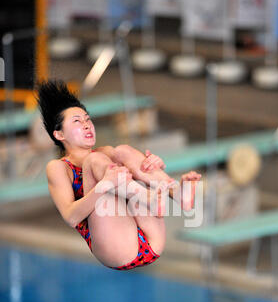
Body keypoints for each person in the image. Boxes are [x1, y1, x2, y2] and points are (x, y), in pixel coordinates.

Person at [37, 80, 201, 270]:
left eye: (88, 119)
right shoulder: (58, 167)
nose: (87, 125)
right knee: (95, 161)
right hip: (117, 248)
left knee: (122, 151)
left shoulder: (106, 153)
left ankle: (178, 194)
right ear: (59, 134)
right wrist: (104, 185)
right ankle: (147, 197)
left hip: (150, 239)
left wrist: (151, 166)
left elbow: (133, 169)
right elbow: (71, 217)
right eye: (77, 121)